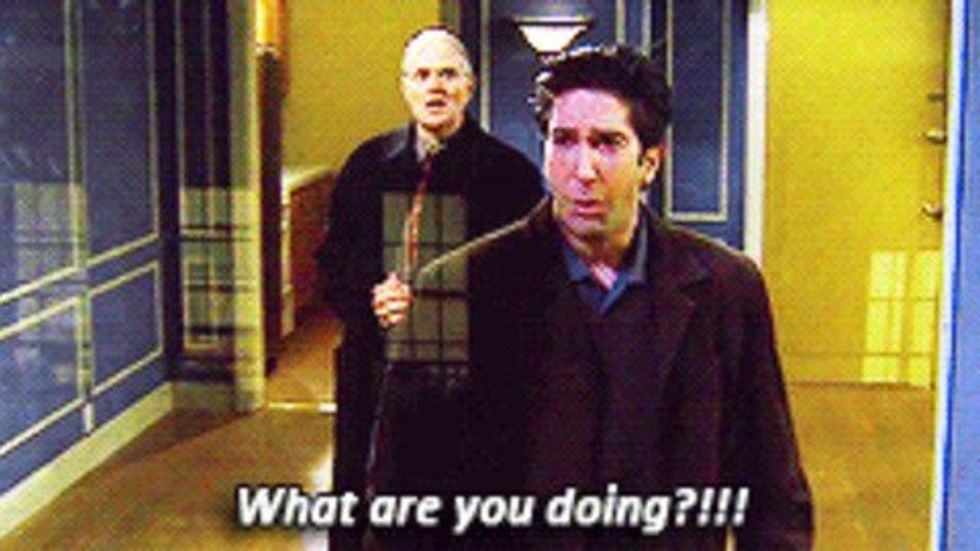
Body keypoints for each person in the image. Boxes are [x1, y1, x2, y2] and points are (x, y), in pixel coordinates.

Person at [426, 44, 810, 548]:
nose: (582, 169)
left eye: (606, 144)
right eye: (564, 141)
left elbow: (772, 488)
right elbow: (404, 492)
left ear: (650, 162)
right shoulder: (455, 288)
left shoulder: (726, 288)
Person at [317, 27, 542, 549]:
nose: (434, 86)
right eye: (421, 75)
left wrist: (442, 307)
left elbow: (529, 285)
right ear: (405, 86)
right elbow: (332, 260)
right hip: (375, 370)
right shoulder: (366, 165)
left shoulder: (510, 175)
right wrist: (371, 299)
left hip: (469, 381)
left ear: (469, 86)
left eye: (447, 74)